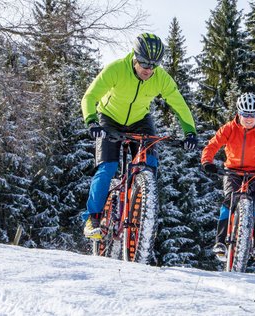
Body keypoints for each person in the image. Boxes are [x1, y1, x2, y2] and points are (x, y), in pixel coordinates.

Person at [81, 33, 198, 239]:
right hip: (109, 118)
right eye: (144, 63)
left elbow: (180, 106)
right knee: (107, 167)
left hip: (140, 120)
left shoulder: (161, 78)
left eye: (153, 65)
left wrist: (190, 132)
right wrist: (91, 121)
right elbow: (90, 96)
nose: (148, 70)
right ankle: (93, 218)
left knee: (150, 164)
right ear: (135, 56)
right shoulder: (116, 69)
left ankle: (142, 207)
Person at [200, 92, 255, 261]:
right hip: (233, 171)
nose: (249, 118)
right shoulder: (229, 128)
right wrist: (207, 162)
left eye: (253, 115)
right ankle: (220, 241)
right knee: (229, 199)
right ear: (239, 113)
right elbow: (212, 145)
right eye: (245, 114)